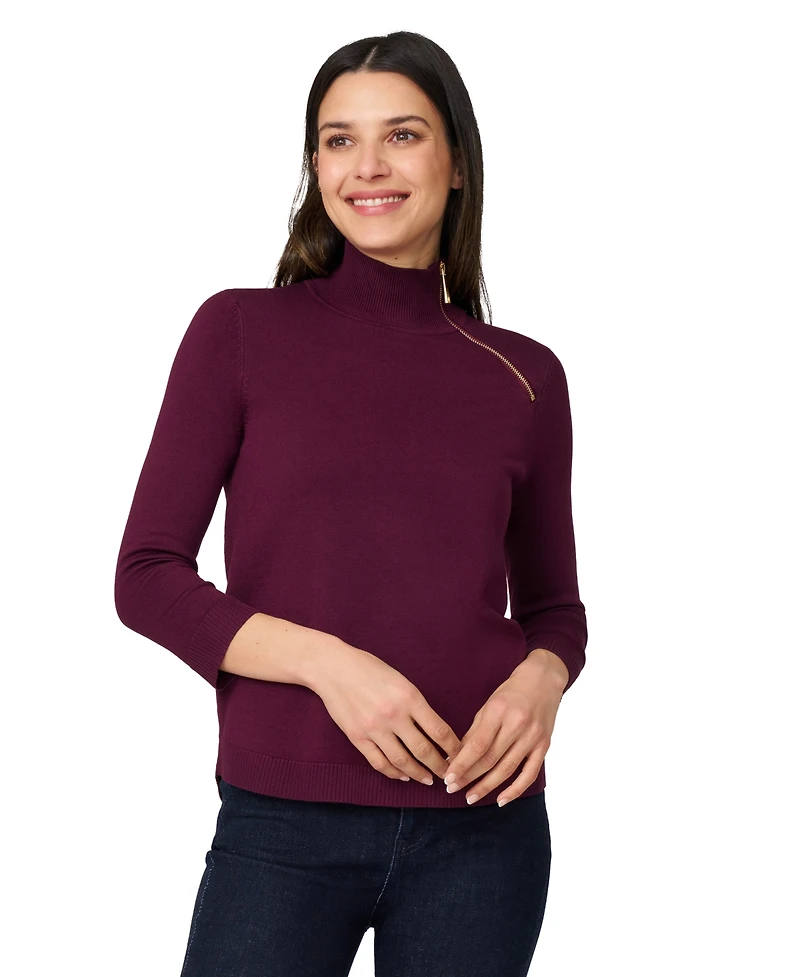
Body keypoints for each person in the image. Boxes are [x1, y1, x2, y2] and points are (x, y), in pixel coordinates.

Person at [115, 29, 588, 977]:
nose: (367, 166)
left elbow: (554, 609)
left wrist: (541, 682)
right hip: (281, 829)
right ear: (316, 166)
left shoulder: (524, 375)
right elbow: (147, 576)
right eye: (338, 140)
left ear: (458, 162)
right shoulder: (239, 330)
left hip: (484, 825)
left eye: (402, 135)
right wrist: (331, 666)